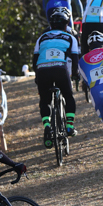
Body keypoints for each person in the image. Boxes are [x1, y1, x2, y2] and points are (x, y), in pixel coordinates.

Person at [33, 8, 80, 147]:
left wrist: (37, 76)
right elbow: (75, 60)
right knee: (68, 96)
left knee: (45, 101)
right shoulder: (71, 37)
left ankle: (47, 126)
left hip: (42, 70)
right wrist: (75, 75)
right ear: (66, 25)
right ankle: (69, 126)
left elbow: (35, 59)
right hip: (60, 68)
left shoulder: (41, 38)